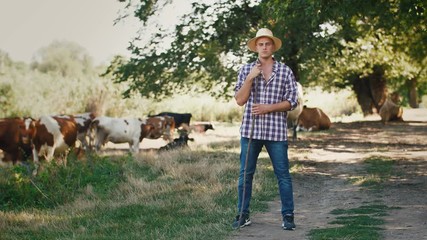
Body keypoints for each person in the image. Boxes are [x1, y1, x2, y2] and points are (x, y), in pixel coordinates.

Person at [232, 28, 299, 230]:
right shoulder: (245, 70)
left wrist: (269, 108)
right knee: (245, 174)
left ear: (273, 47)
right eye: (260, 44)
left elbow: (292, 101)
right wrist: (251, 78)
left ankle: (288, 216)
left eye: (267, 44)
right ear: (256, 48)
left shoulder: (285, 71)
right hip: (250, 132)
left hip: (276, 132)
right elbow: (240, 100)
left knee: (283, 175)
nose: (264, 47)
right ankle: (243, 215)